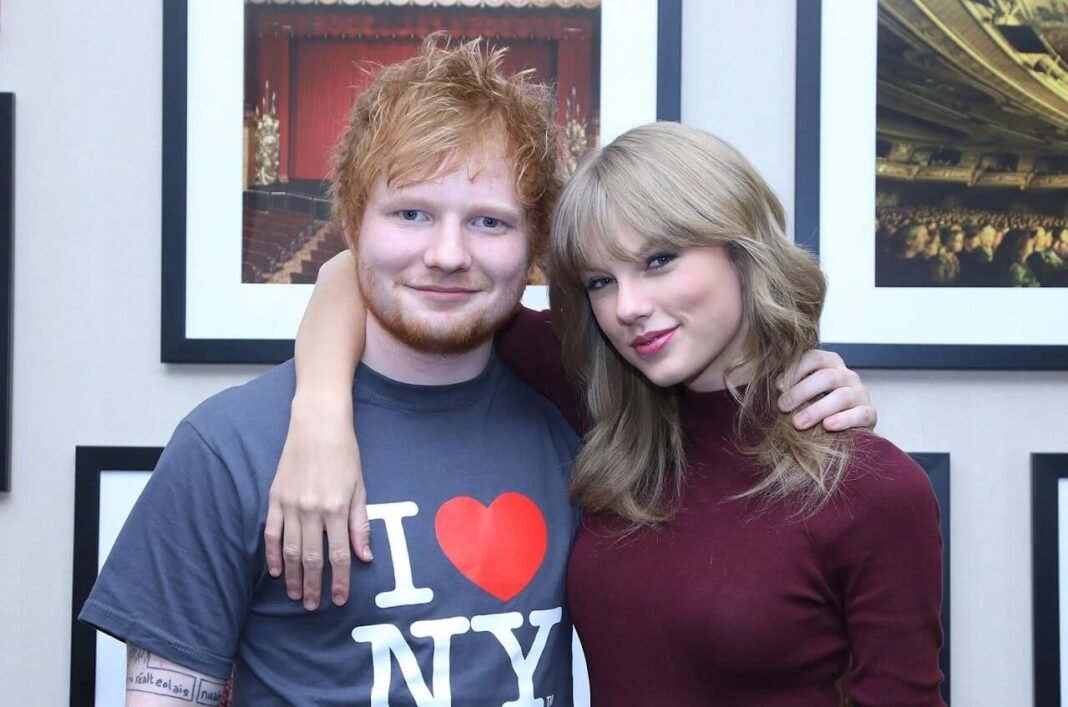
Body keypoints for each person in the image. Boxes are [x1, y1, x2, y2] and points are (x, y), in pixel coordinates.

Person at [271, 124, 941, 705]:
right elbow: (350, 271)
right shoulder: (605, 410)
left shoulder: (874, 491)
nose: (628, 307)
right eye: (601, 281)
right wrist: (321, 419)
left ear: (743, 252)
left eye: (659, 260)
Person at [81, 38, 585, 705]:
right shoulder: (230, 446)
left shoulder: (575, 420)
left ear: (534, 244)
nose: (448, 253)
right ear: (352, 222)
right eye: (412, 213)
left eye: (489, 222)